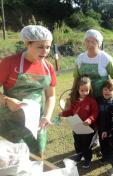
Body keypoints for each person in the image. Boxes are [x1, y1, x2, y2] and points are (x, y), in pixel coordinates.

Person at [0, 25, 56, 158]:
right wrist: (7, 100)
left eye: (48, 47)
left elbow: (51, 96)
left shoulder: (48, 67)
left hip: (36, 122)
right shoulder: (9, 63)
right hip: (10, 121)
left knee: (37, 155)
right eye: (40, 47)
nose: (45, 51)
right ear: (27, 44)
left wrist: (46, 116)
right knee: (13, 159)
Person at [60, 76, 98, 169]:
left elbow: (95, 113)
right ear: (78, 89)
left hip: (88, 128)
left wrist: (89, 120)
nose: (85, 92)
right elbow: (72, 111)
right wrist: (63, 113)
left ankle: (87, 159)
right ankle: (79, 154)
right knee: (77, 142)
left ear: (90, 89)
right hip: (76, 126)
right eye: (82, 90)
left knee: (87, 144)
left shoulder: (92, 101)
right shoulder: (75, 101)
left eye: (87, 90)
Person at [72, 29, 113, 98]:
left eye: (93, 42)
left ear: (99, 44)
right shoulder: (80, 58)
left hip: (102, 98)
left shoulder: (106, 58)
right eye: (87, 41)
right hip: (85, 97)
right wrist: (73, 94)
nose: (90, 44)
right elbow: (76, 78)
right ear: (84, 42)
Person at [96, 79, 113, 163]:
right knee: (102, 142)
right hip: (100, 128)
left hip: (110, 129)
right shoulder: (98, 100)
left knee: (110, 144)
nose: (107, 92)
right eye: (105, 89)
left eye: (110, 90)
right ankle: (104, 156)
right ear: (102, 90)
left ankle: (111, 158)